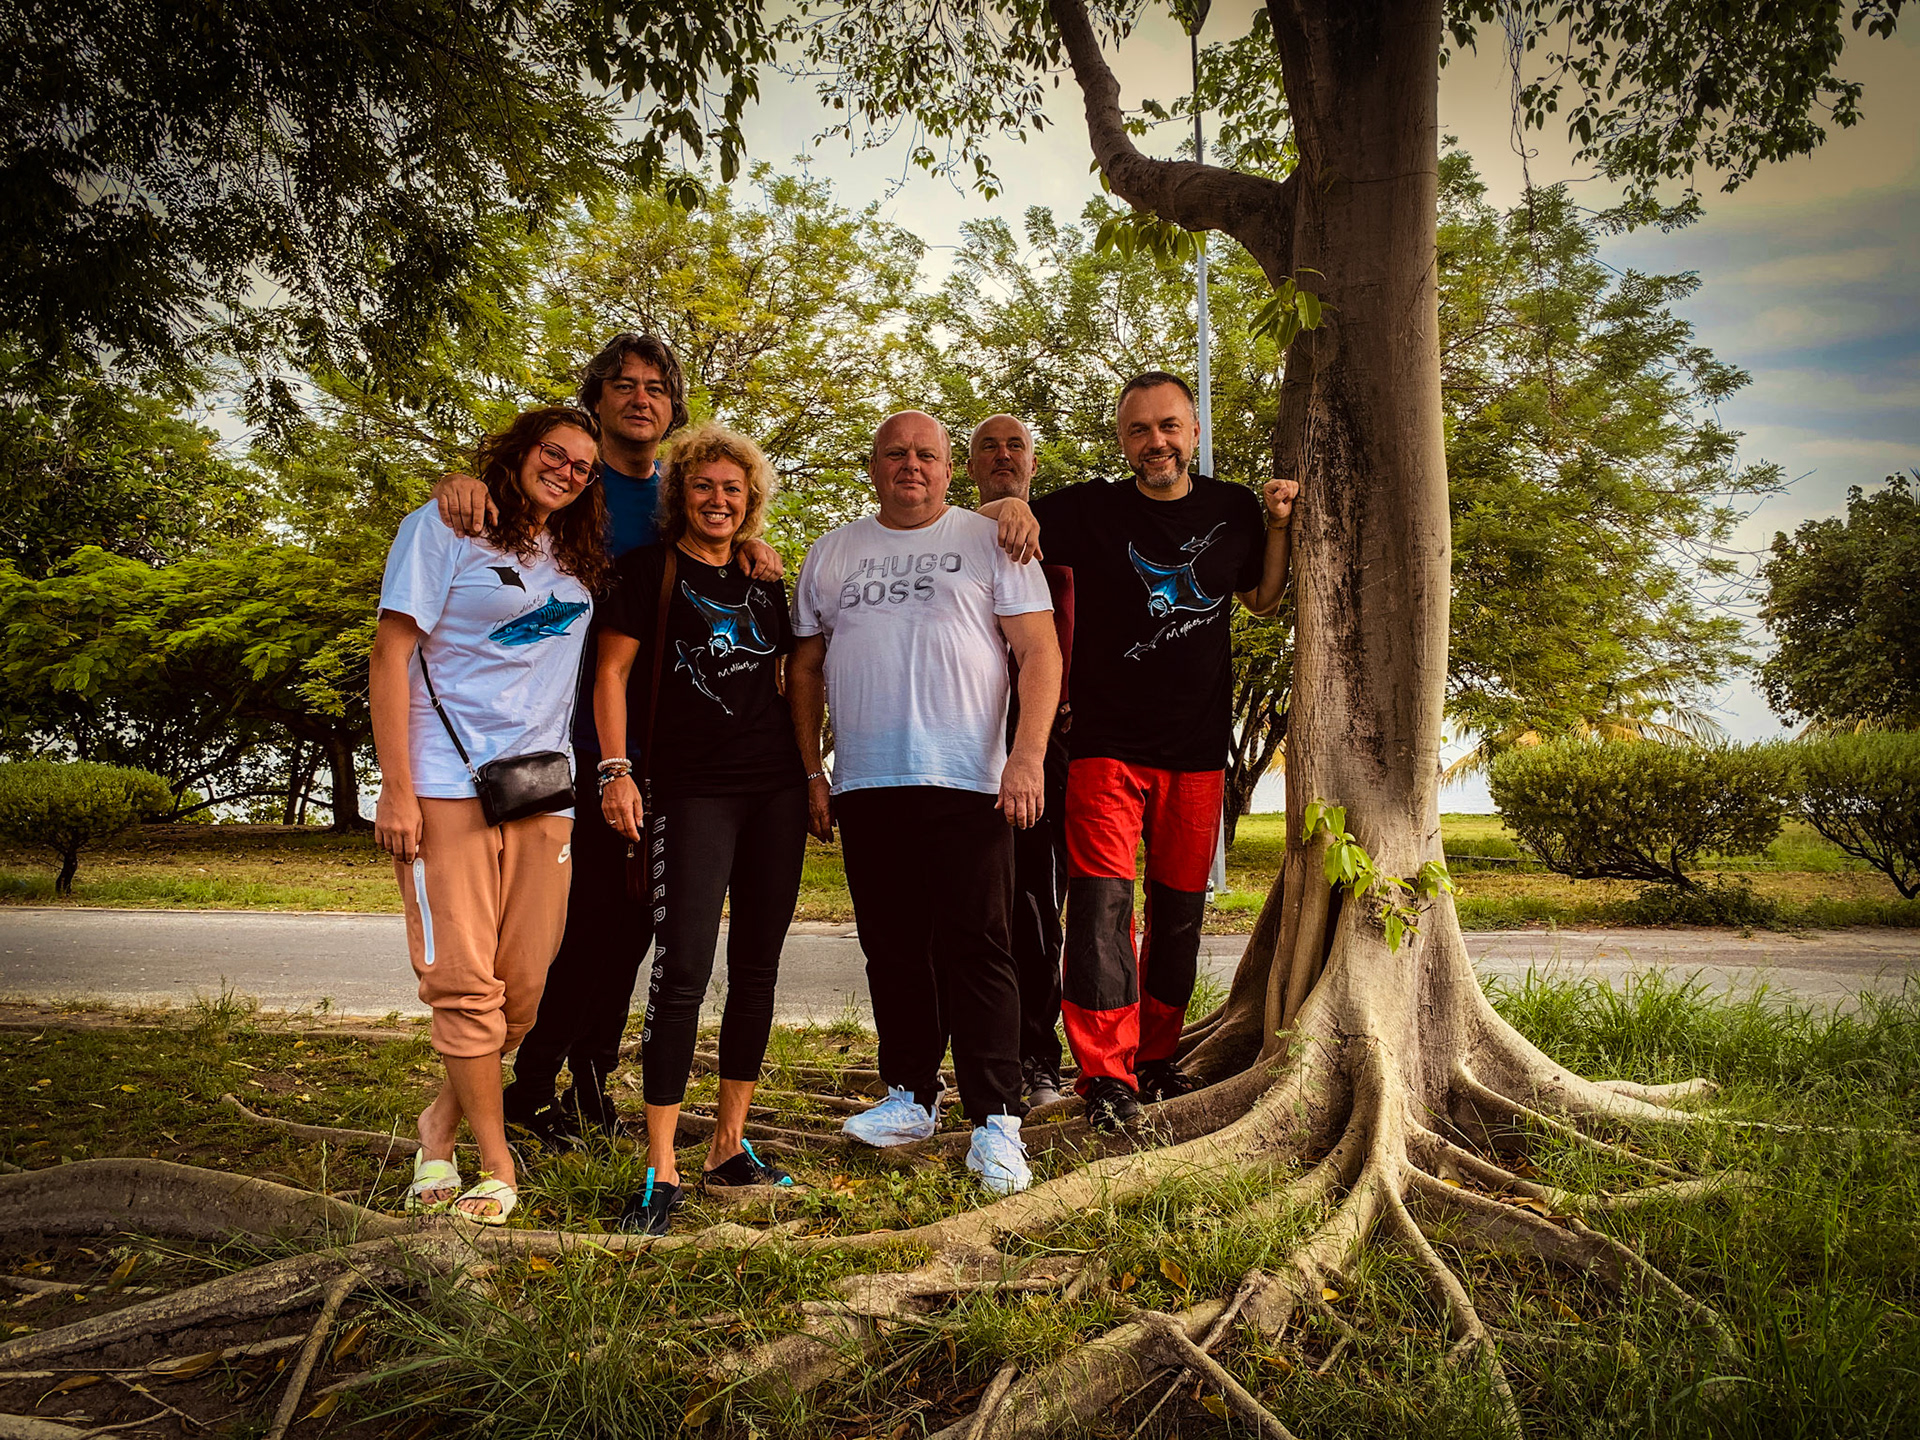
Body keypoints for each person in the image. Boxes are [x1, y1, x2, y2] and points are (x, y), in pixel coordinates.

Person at [432, 333, 782, 1146]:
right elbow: (496, 516)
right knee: (572, 923)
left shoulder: (687, 489)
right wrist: (460, 485)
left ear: (674, 406)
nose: (640, 399)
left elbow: (715, 558)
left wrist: (755, 549)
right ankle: (530, 1080)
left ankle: (589, 1073)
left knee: (632, 923)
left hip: (660, 751)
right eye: (622, 385)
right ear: (596, 400)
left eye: (657, 387)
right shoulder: (573, 482)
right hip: (566, 741)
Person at [789, 411, 1060, 1195]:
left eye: (927, 455)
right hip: (868, 782)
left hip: (968, 779)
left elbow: (1039, 651)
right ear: (872, 466)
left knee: (980, 949)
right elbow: (805, 668)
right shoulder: (833, 551)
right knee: (894, 949)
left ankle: (997, 1119)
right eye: (895, 454)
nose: (912, 465)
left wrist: (1026, 756)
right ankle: (910, 1094)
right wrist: (814, 771)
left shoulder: (992, 539)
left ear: (950, 470)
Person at [1025, 373, 1298, 1131]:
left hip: (1199, 753)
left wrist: (1278, 525)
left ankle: (1154, 1059)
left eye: (1169, 426)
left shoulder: (1233, 508)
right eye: (1140, 430)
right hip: (1106, 749)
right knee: (1103, 914)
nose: (1157, 442)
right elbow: (997, 534)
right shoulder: (1088, 508)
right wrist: (1011, 502)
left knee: (1178, 916)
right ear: (1123, 440)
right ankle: (1104, 1075)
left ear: (1195, 431)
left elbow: (1263, 597)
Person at [370, 405, 610, 1223]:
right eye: (555, 453)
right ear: (519, 451)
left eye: (584, 466)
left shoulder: (574, 555)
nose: (568, 472)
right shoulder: (441, 528)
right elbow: (391, 653)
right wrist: (395, 787)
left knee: (523, 993)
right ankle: (494, 1159)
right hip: (445, 786)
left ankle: (437, 1121)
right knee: (463, 983)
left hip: (543, 790)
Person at [591, 422, 809, 1235]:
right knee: (682, 969)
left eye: (733, 489)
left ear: (750, 499)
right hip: (689, 791)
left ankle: (728, 1146)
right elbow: (610, 675)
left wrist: (812, 775)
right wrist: (617, 772)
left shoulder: (763, 582)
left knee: (757, 967)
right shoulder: (645, 572)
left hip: (774, 791)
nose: (719, 500)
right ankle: (661, 1166)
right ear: (680, 493)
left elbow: (791, 677)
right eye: (704, 486)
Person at [966, 414, 1074, 1109]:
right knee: (967, 909)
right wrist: (994, 513)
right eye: (988, 447)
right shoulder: (946, 536)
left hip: (1037, 740)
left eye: (1017, 446)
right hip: (957, 739)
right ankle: (962, 1059)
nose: (1003, 455)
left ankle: (1038, 1059)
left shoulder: (1063, 527)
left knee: (1036, 904)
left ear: (1035, 462)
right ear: (969, 465)